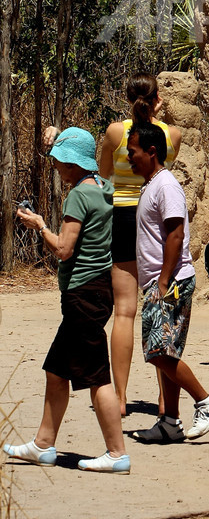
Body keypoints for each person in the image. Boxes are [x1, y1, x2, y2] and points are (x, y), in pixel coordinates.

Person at [44, 73, 182, 417]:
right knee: (159, 310)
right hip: (153, 216)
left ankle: (119, 397)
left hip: (121, 219)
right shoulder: (171, 134)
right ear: (157, 98)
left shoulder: (115, 133)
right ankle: (166, 400)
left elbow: (104, 177)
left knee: (124, 310)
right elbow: (162, 169)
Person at [3, 128, 130, 474]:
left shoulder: (77, 196)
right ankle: (43, 445)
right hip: (98, 289)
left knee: (97, 377)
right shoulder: (104, 188)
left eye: (60, 161)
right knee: (56, 372)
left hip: (83, 294)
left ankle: (117, 453)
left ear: (75, 162)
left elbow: (63, 249)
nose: (57, 166)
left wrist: (39, 224)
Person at [126, 123, 209, 443]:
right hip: (163, 281)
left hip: (171, 283)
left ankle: (207, 402)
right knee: (166, 353)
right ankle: (170, 422)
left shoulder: (166, 185)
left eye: (133, 152)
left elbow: (176, 234)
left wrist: (163, 281)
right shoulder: (152, 184)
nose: (129, 159)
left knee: (158, 353)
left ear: (151, 152)